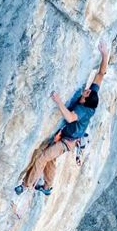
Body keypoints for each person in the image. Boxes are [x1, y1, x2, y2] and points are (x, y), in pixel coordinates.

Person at [15, 41, 110, 196]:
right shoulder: (92, 98)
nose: (85, 91)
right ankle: (47, 187)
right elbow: (101, 75)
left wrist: (58, 101)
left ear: (86, 100)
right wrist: (105, 54)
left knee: (43, 157)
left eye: (85, 93)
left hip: (67, 142)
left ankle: (26, 185)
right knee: (51, 160)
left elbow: (71, 117)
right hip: (68, 140)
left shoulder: (83, 109)